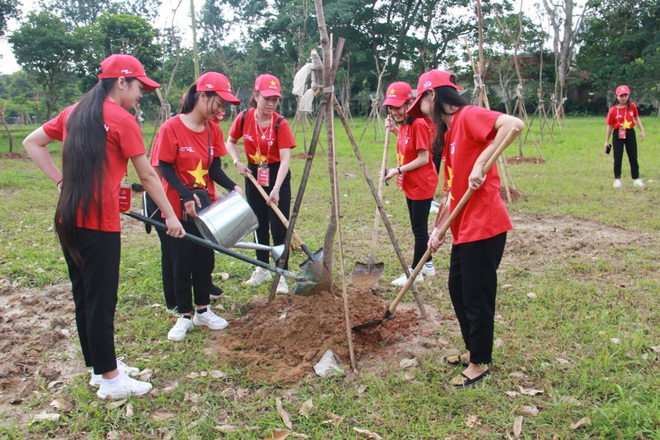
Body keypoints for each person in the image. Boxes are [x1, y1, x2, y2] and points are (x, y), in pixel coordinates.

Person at [22, 54, 186, 399]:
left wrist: (59, 182)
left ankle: (99, 368)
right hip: (99, 224)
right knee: (101, 299)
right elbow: (148, 175)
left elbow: (32, 142)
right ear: (122, 82)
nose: (142, 93)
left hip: (69, 218)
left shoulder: (74, 112)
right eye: (140, 86)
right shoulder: (122, 120)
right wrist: (170, 216)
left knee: (84, 295)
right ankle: (111, 381)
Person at [408, 69, 524, 388]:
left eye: (422, 101)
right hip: (463, 228)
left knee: (476, 295)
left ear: (434, 95)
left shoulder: (469, 115)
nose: (421, 110)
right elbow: (451, 191)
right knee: (458, 289)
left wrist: (481, 162)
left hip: (484, 226)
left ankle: (481, 362)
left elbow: (514, 125)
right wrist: (439, 229)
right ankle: (473, 348)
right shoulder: (448, 133)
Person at [154, 71, 243, 342]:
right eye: (219, 102)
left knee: (205, 258)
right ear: (203, 96)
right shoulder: (171, 128)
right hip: (176, 207)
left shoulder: (213, 130)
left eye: (225, 105)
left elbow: (214, 168)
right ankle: (184, 314)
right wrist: (183, 195)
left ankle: (203, 310)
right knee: (181, 261)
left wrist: (233, 186)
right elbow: (163, 167)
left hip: (205, 207)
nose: (222, 109)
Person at [226, 74, 296, 294]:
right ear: (255, 96)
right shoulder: (244, 118)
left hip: (277, 175)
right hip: (254, 174)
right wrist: (237, 162)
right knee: (258, 223)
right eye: (267, 98)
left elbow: (285, 160)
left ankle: (281, 273)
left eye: (275, 99)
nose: (271, 103)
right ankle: (262, 268)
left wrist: (275, 189)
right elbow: (230, 142)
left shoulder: (280, 124)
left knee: (278, 226)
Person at [382, 81, 439, 286]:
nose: (394, 111)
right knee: (417, 227)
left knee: (419, 230)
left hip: (422, 184)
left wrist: (397, 170)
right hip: (411, 184)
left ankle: (415, 273)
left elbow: (424, 158)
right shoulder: (405, 125)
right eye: (391, 107)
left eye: (397, 106)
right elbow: (409, 144)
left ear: (409, 103)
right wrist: (394, 131)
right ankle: (429, 265)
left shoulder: (418, 124)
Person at [604, 85, 645, 188]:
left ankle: (636, 179)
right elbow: (609, 126)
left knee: (633, 156)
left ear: (629, 95)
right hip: (618, 133)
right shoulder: (613, 110)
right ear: (617, 96)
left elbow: (636, 118)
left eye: (625, 95)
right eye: (621, 96)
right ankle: (617, 179)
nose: (623, 98)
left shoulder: (632, 106)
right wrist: (606, 141)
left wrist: (642, 131)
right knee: (617, 157)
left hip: (630, 132)